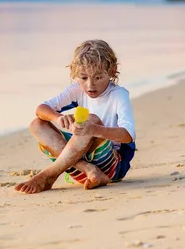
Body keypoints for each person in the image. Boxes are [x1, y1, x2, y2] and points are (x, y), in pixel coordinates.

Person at [15, 39, 136, 194]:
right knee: (37, 124)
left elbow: (128, 136)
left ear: (112, 71)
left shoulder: (119, 95)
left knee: (90, 120)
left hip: (112, 166)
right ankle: (88, 169)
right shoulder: (77, 90)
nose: (90, 85)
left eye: (98, 77)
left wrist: (94, 129)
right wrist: (58, 118)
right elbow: (41, 109)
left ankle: (49, 174)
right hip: (77, 164)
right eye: (84, 78)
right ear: (74, 72)